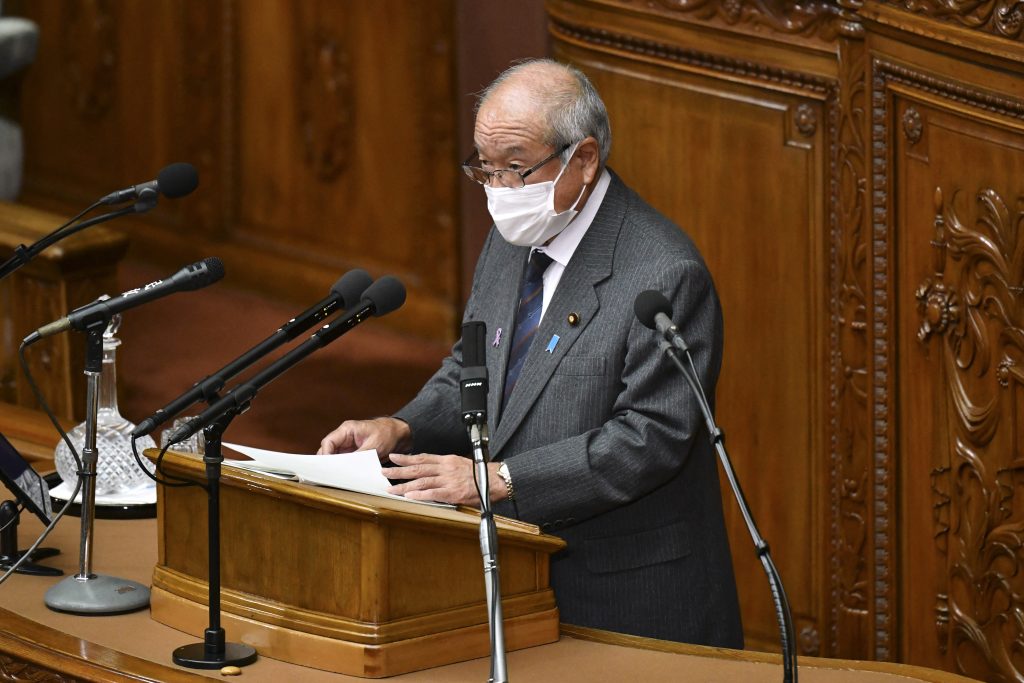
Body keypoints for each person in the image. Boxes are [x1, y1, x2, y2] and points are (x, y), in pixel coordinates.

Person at [319, 58, 743, 648]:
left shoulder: (664, 272)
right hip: (512, 586)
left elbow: (649, 438)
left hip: (626, 596)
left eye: (515, 167)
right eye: (485, 169)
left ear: (584, 159)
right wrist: (402, 426)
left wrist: (501, 480)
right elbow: (471, 369)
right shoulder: (510, 238)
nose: (499, 191)